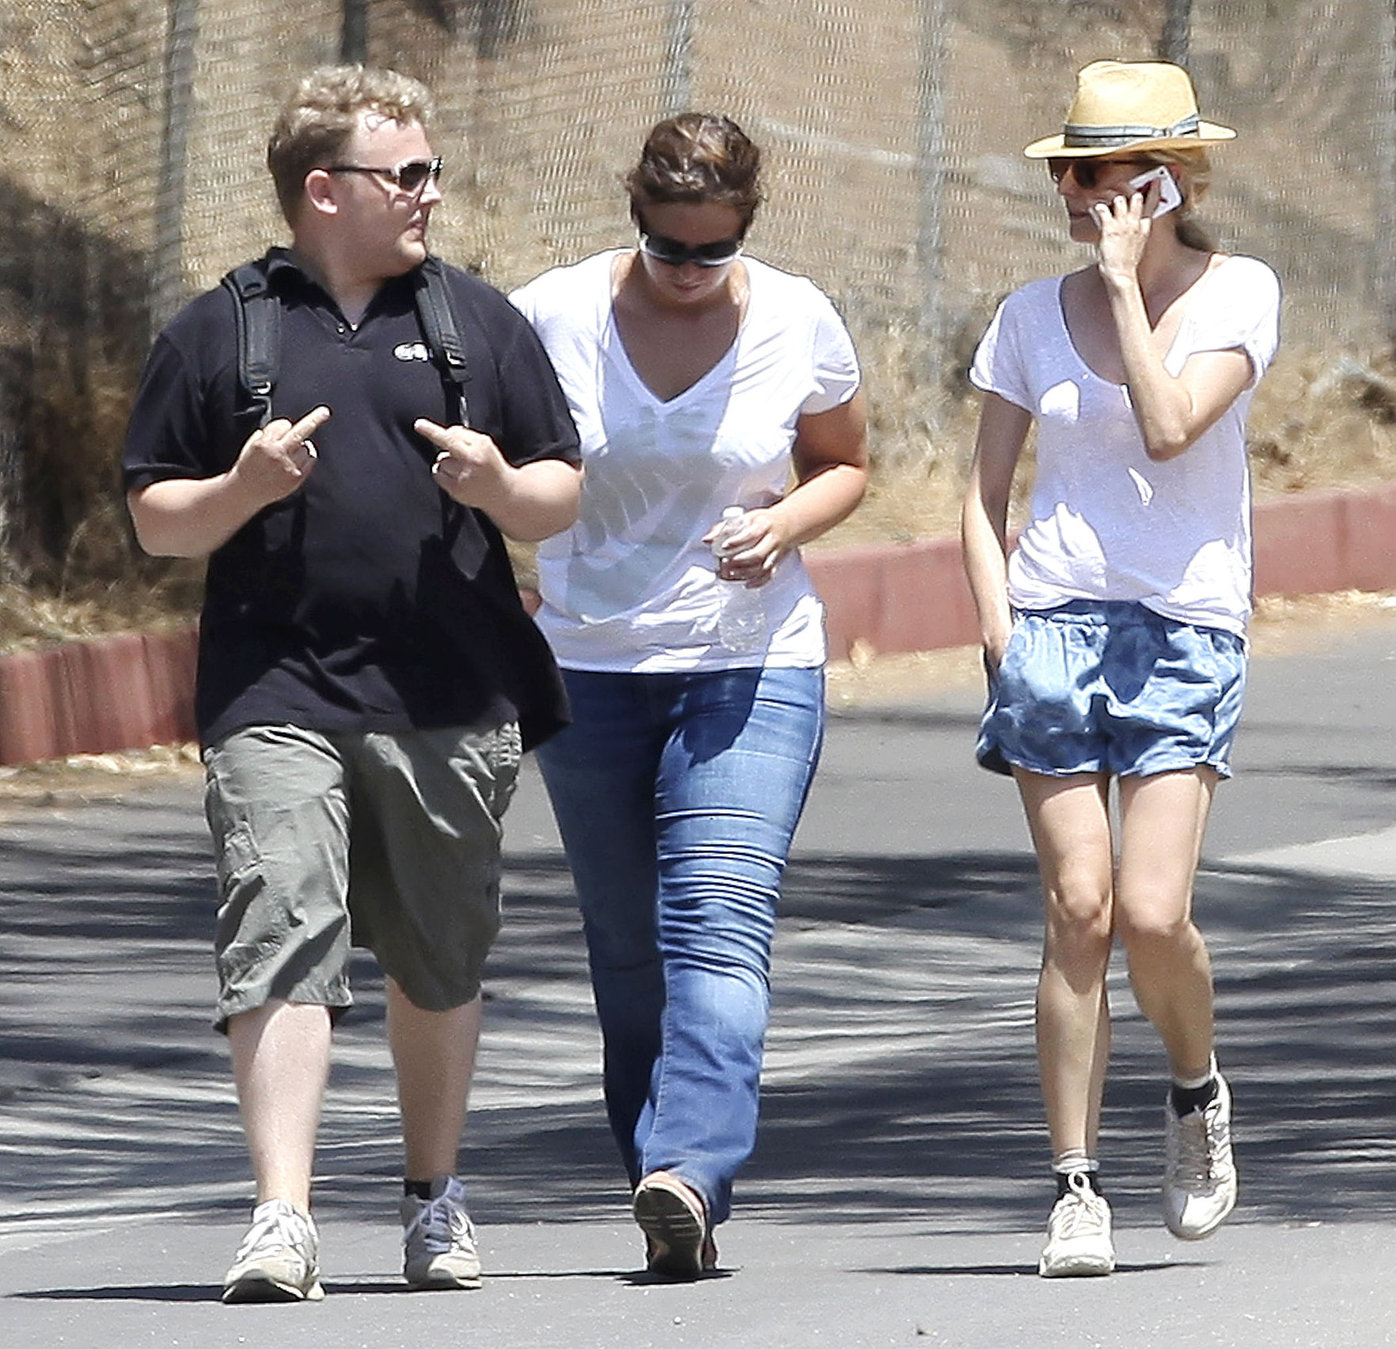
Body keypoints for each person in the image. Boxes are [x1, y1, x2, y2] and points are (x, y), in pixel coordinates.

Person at [122, 65, 581, 1302]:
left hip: (449, 693)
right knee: (280, 933)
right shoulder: (219, 330)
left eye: (429, 170)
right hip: (274, 690)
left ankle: (433, 1195)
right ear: (323, 191)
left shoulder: (477, 320)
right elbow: (158, 519)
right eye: (407, 173)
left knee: (436, 960)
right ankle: (283, 1215)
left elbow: (561, 486)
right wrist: (239, 490)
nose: (430, 192)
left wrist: (499, 485)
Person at [510, 112, 868, 1279]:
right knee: (628, 951)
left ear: (745, 236)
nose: (686, 274)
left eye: (711, 254)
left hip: (750, 660)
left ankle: (690, 1165)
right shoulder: (553, 313)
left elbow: (847, 462)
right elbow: (501, 468)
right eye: (667, 248)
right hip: (587, 667)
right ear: (638, 219)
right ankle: (665, 1193)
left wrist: (782, 521)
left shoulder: (797, 317)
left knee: (718, 924)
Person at [961, 60, 1280, 1277]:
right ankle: (1074, 1185)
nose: (1079, 196)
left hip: (1186, 627)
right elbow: (979, 495)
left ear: (1170, 181)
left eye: (1102, 176)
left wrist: (1123, 287)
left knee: (1153, 912)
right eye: (1070, 174)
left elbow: (1165, 424)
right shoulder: (1026, 315)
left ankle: (1194, 1087)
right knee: (1078, 911)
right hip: (1051, 627)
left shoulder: (1239, 291)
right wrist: (998, 629)